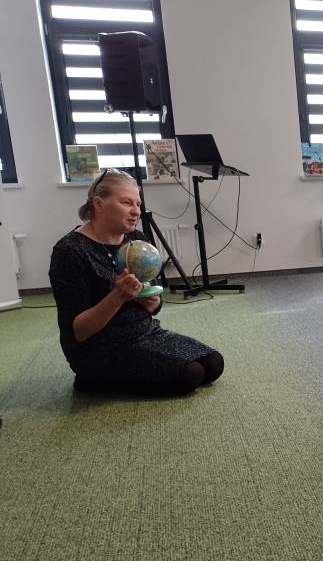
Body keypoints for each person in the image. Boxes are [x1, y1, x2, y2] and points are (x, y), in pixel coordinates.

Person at [49, 169, 224, 396]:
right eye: (126, 202)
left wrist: (152, 302)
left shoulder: (136, 240)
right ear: (99, 204)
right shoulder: (70, 251)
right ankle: (92, 380)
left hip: (144, 333)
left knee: (213, 363)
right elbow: (79, 332)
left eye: (138, 204)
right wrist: (118, 296)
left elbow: (154, 302)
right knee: (191, 374)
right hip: (100, 349)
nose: (136, 211)